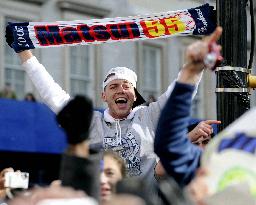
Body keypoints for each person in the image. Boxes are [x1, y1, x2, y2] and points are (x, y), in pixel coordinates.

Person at [5, 25, 218, 186]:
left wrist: (195, 66)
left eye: (126, 86)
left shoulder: (149, 116)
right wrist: (25, 53)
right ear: (103, 96)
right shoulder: (92, 122)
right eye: (113, 87)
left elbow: (179, 92)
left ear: (134, 95)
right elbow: (52, 94)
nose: (120, 90)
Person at [154, 26, 223, 187]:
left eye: (205, 142)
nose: (200, 148)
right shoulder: (224, 162)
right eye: (197, 143)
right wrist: (190, 73)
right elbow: (169, 147)